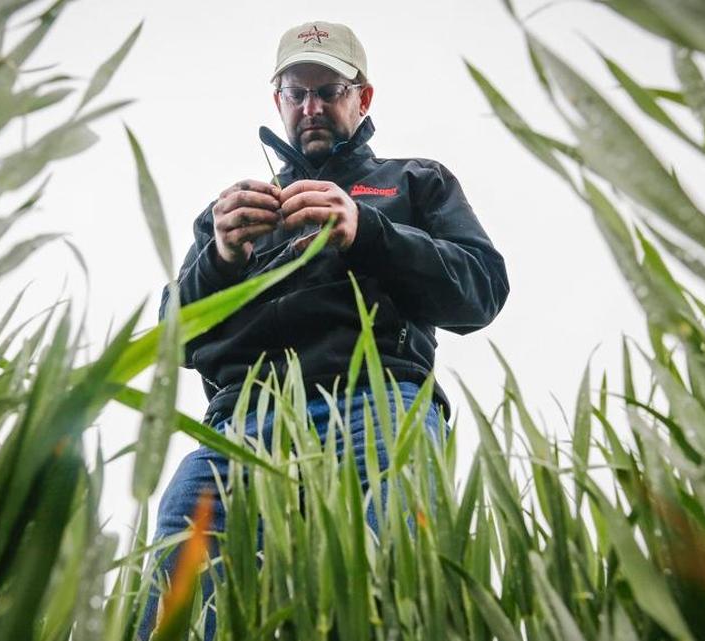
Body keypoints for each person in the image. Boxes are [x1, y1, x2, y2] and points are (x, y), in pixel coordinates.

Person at [139, 20, 509, 638]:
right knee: (177, 604)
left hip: (379, 405)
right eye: (295, 92)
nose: (311, 106)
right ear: (277, 102)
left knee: (393, 603)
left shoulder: (414, 181)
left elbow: (481, 291)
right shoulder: (233, 213)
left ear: (361, 98)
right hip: (240, 427)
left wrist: (369, 230)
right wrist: (222, 256)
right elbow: (172, 339)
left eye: (328, 90)